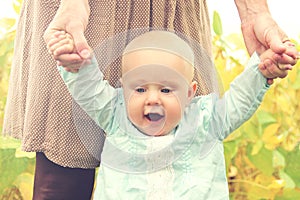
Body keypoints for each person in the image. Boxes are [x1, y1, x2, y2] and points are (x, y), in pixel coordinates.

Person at [3, 0, 298, 199]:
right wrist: (74, 63)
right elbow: (89, 89)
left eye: (167, 90)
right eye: (140, 89)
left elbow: (239, 100)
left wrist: (261, 68)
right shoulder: (117, 115)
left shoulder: (205, 119)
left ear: (191, 93)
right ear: (122, 88)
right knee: (59, 183)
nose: (152, 99)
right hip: (83, 8)